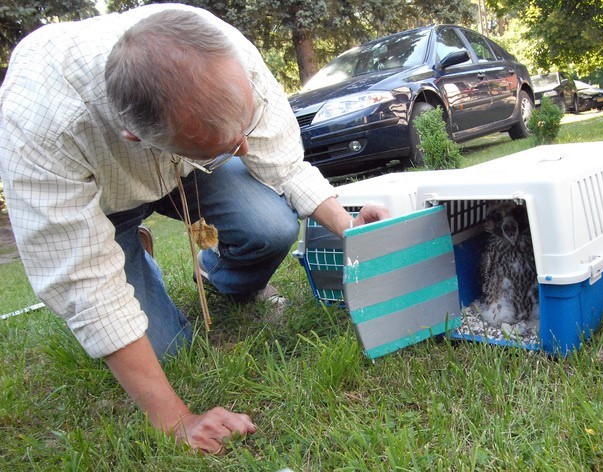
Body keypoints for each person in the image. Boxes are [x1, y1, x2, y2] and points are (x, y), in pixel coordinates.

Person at [0, 3, 388, 454]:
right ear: (135, 136)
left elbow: (283, 160)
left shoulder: (220, 47)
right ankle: (130, 252)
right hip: (103, 201)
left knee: (271, 226)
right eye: (231, 147)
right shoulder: (40, 125)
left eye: (245, 129)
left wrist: (349, 228)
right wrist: (176, 420)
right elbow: (83, 284)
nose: (246, 147)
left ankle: (219, 277)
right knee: (170, 354)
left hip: (190, 166)